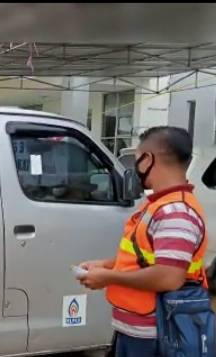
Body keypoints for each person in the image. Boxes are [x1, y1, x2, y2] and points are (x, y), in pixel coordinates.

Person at [78, 126, 208, 356]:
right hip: (137, 330)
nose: (135, 169)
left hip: (155, 335)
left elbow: (168, 277)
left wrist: (107, 277)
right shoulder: (160, 205)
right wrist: (106, 265)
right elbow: (145, 258)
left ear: (148, 160)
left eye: (137, 160)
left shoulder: (176, 211)